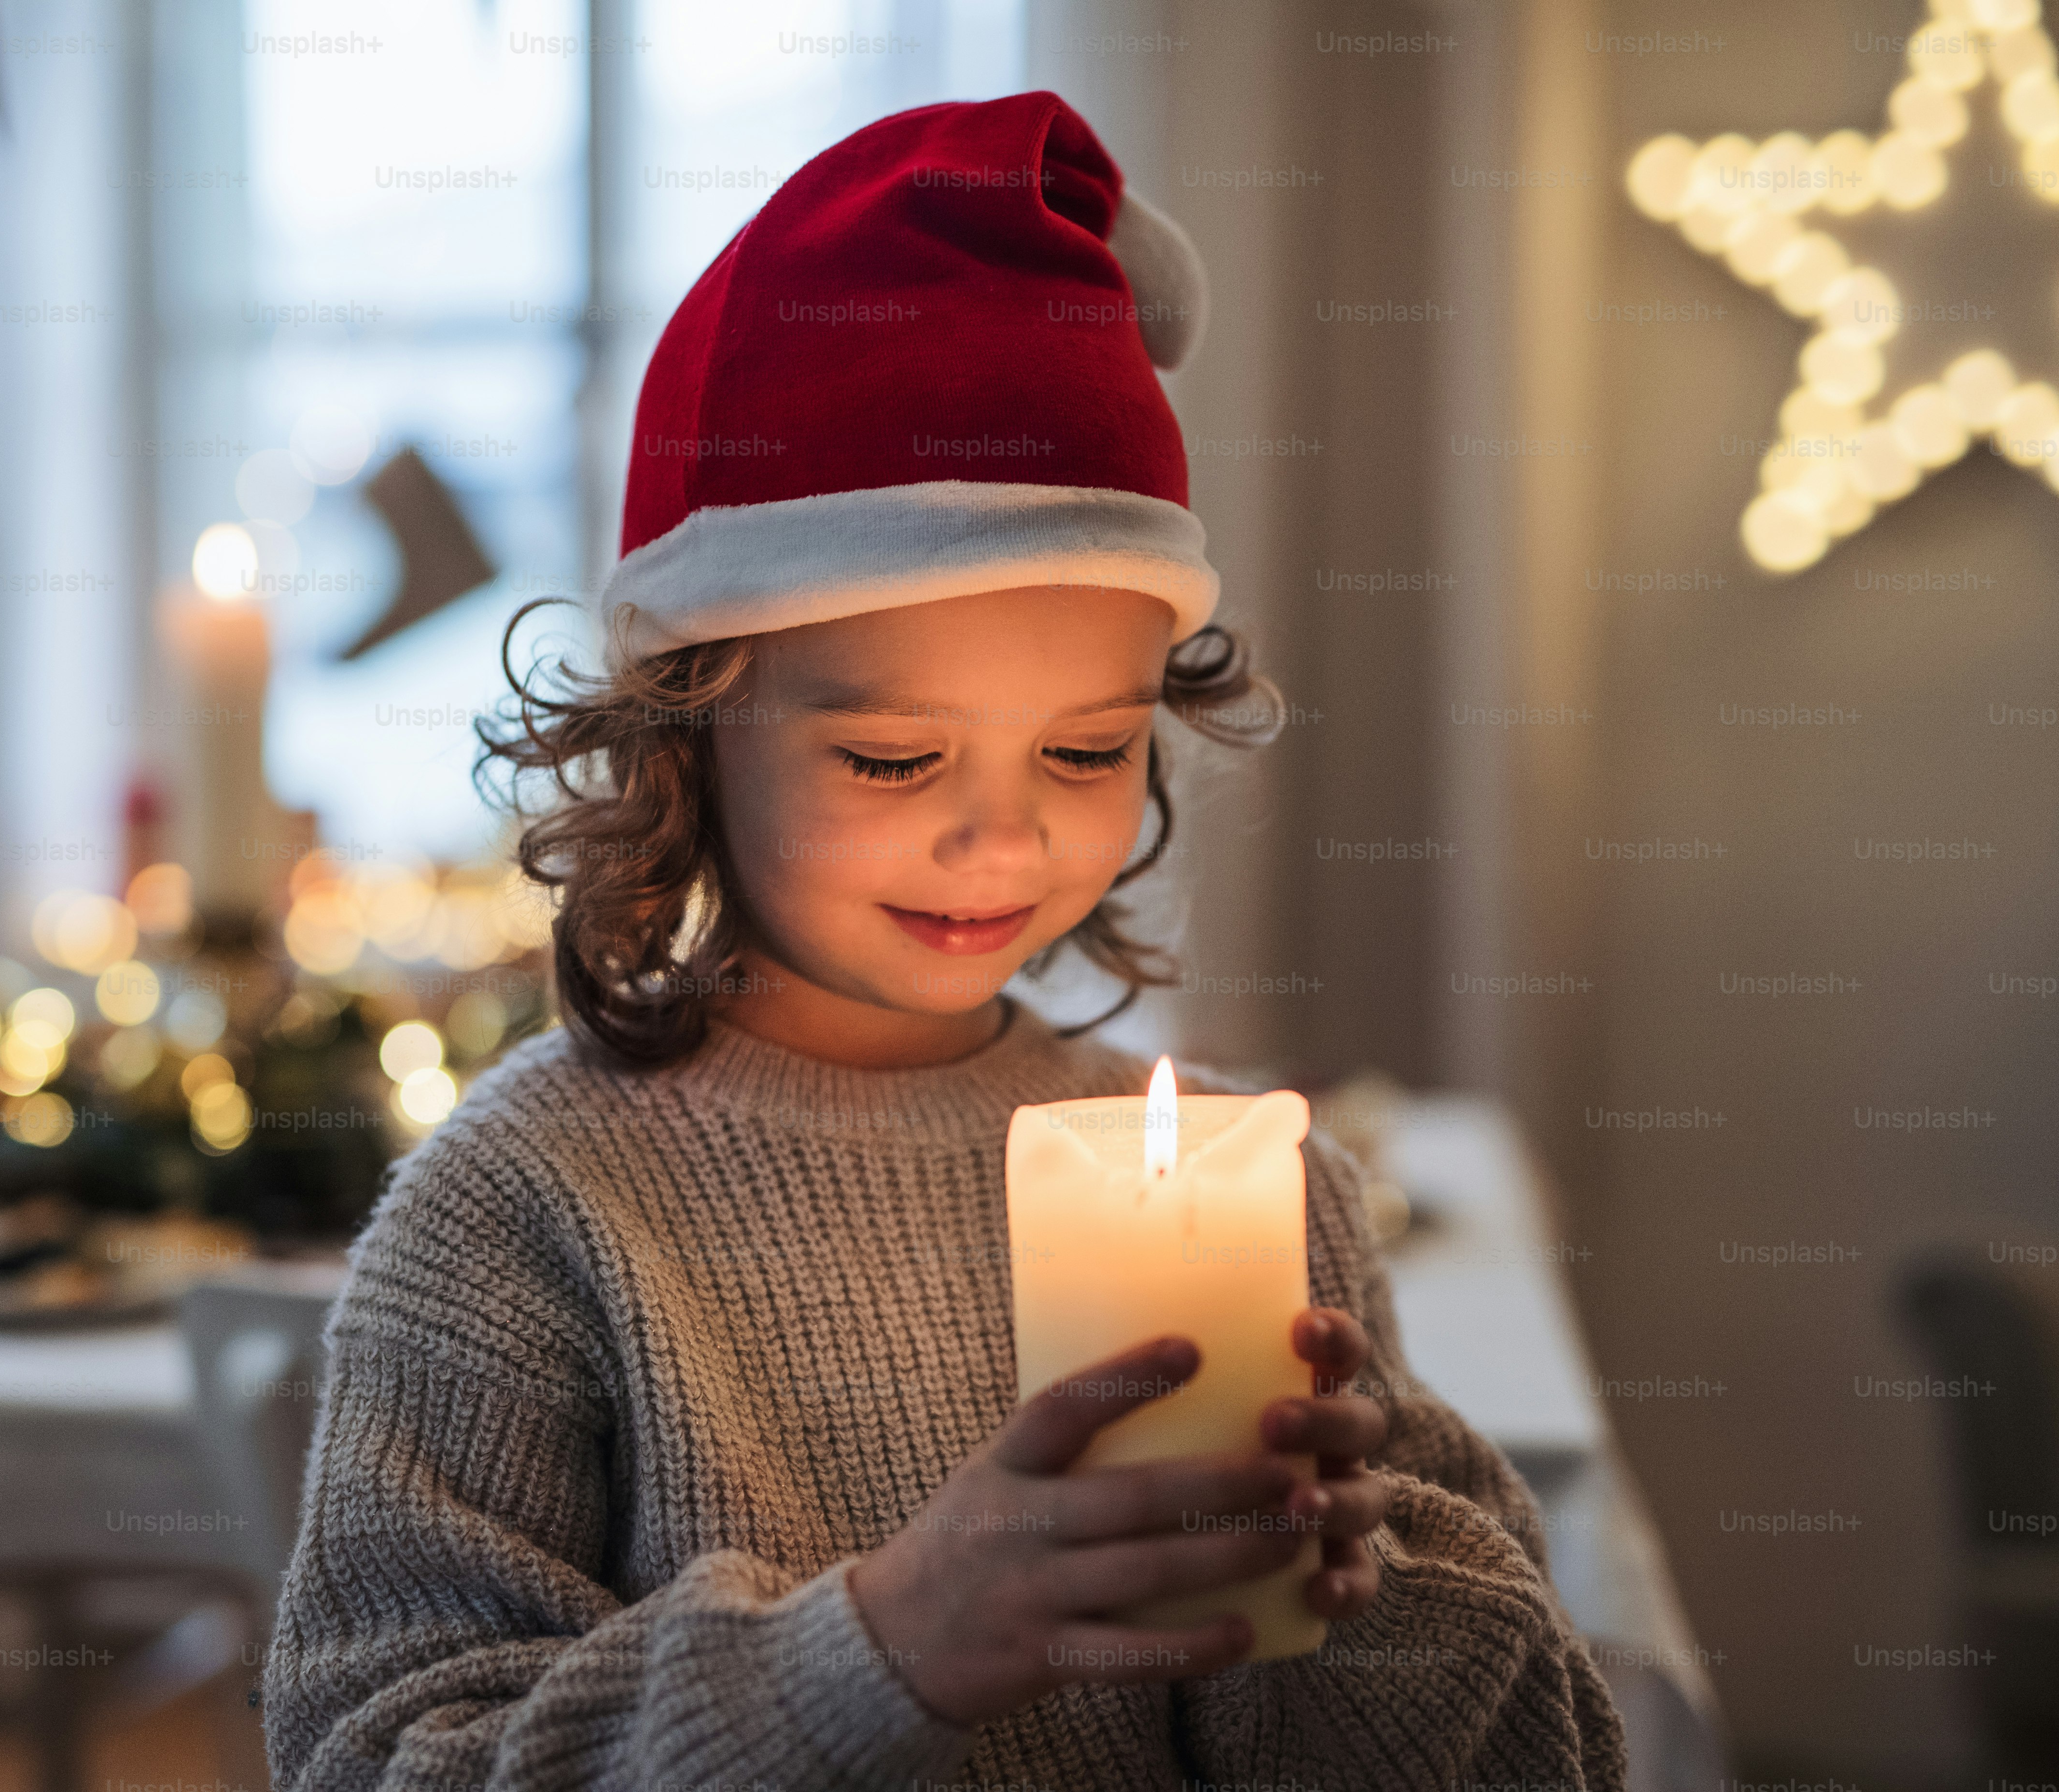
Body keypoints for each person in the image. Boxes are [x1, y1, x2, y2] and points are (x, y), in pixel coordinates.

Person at [263, 91, 1626, 1791]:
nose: (1005, 837)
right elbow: (377, 1761)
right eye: (893, 758)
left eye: (1087, 750)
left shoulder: (1256, 1202)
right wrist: (881, 1653)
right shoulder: (526, 1215)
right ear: (687, 731)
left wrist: (1359, 1603)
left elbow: (1546, 1759)